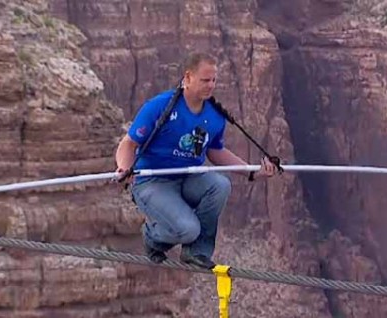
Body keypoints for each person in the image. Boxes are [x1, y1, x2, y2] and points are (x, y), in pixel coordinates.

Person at [115, 52, 279, 269]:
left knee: (220, 185)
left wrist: (252, 172)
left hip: (188, 179)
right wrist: (125, 169)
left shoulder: (214, 115)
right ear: (188, 77)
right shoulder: (159, 106)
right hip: (152, 181)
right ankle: (152, 237)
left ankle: (197, 251)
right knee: (188, 229)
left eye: (213, 80)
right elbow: (128, 144)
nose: (210, 85)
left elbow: (215, 152)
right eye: (205, 80)